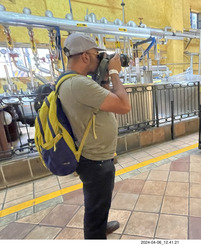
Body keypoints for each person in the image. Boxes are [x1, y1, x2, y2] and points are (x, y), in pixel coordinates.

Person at [59, 33, 131, 239]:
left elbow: (106, 100)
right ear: (84, 57)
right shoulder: (79, 85)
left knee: (99, 201)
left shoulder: (74, 82)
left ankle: (100, 225)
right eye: (96, 55)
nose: (100, 59)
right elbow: (124, 105)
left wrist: (105, 77)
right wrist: (115, 71)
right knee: (95, 204)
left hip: (94, 157)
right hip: (95, 160)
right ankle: (95, 234)